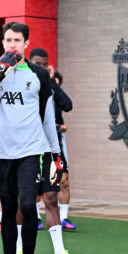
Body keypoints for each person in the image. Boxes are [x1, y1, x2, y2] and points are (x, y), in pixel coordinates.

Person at [0, 22, 60, 254]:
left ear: (26, 43)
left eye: (17, 40)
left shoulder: (37, 74)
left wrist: (55, 155)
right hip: (1, 153)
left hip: (30, 151)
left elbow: (48, 117)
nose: (12, 45)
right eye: (8, 40)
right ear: (2, 43)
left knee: (28, 205)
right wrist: (0, 74)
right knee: (7, 210)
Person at [27, 48, 82, 254]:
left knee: (51, 198)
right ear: (30, 63)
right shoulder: (24, 85)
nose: (41, 67)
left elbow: (67, 105)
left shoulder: (49, 87)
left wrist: (51, 81)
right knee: (27, 203)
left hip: (49, 150)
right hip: (27, 152)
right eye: (37, 64)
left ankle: (59, 253)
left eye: (45, 64)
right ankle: (21, 250)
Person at [52, 71, 77, 231]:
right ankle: (35, 217)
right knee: (36, 182)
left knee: (64, 180)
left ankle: (64, 218)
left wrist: (59, 128)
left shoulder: (58, 97)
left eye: (56, 83)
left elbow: (68, 106)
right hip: (39, 142)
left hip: (57, 141)